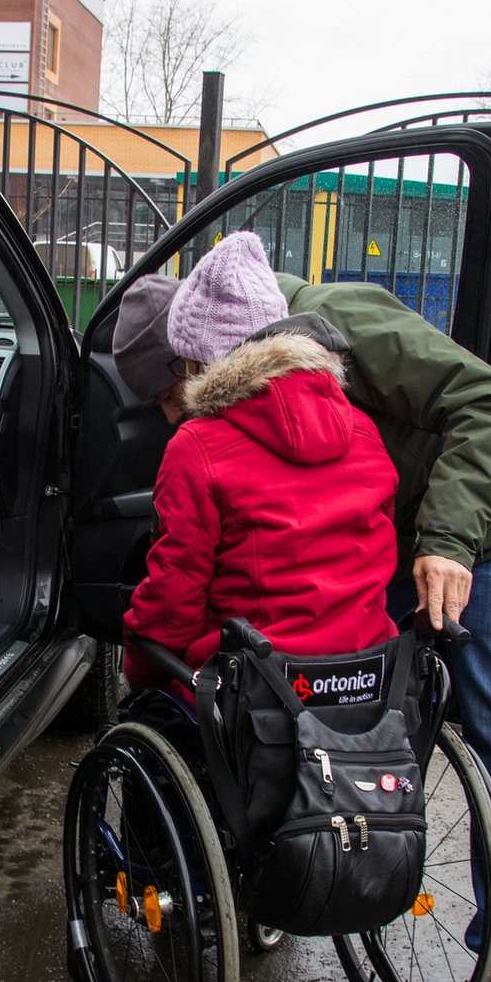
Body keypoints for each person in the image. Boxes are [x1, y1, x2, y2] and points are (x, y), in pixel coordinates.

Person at [114, 234, 491, 982]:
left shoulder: (347, 318)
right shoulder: (239, 389)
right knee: (323, 692)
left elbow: (490, 406)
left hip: (483, 529)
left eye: (177, 395)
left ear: (203, 352)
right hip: (386, 526)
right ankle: (309, 859)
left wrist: (449, 541)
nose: (180, 415)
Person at [118, 236, 399, 690]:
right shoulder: (363, 430)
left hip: (258, 689)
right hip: (365, 678)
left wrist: (143, 670)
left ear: (201, 361)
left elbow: (175, 597)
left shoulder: (197, 447)